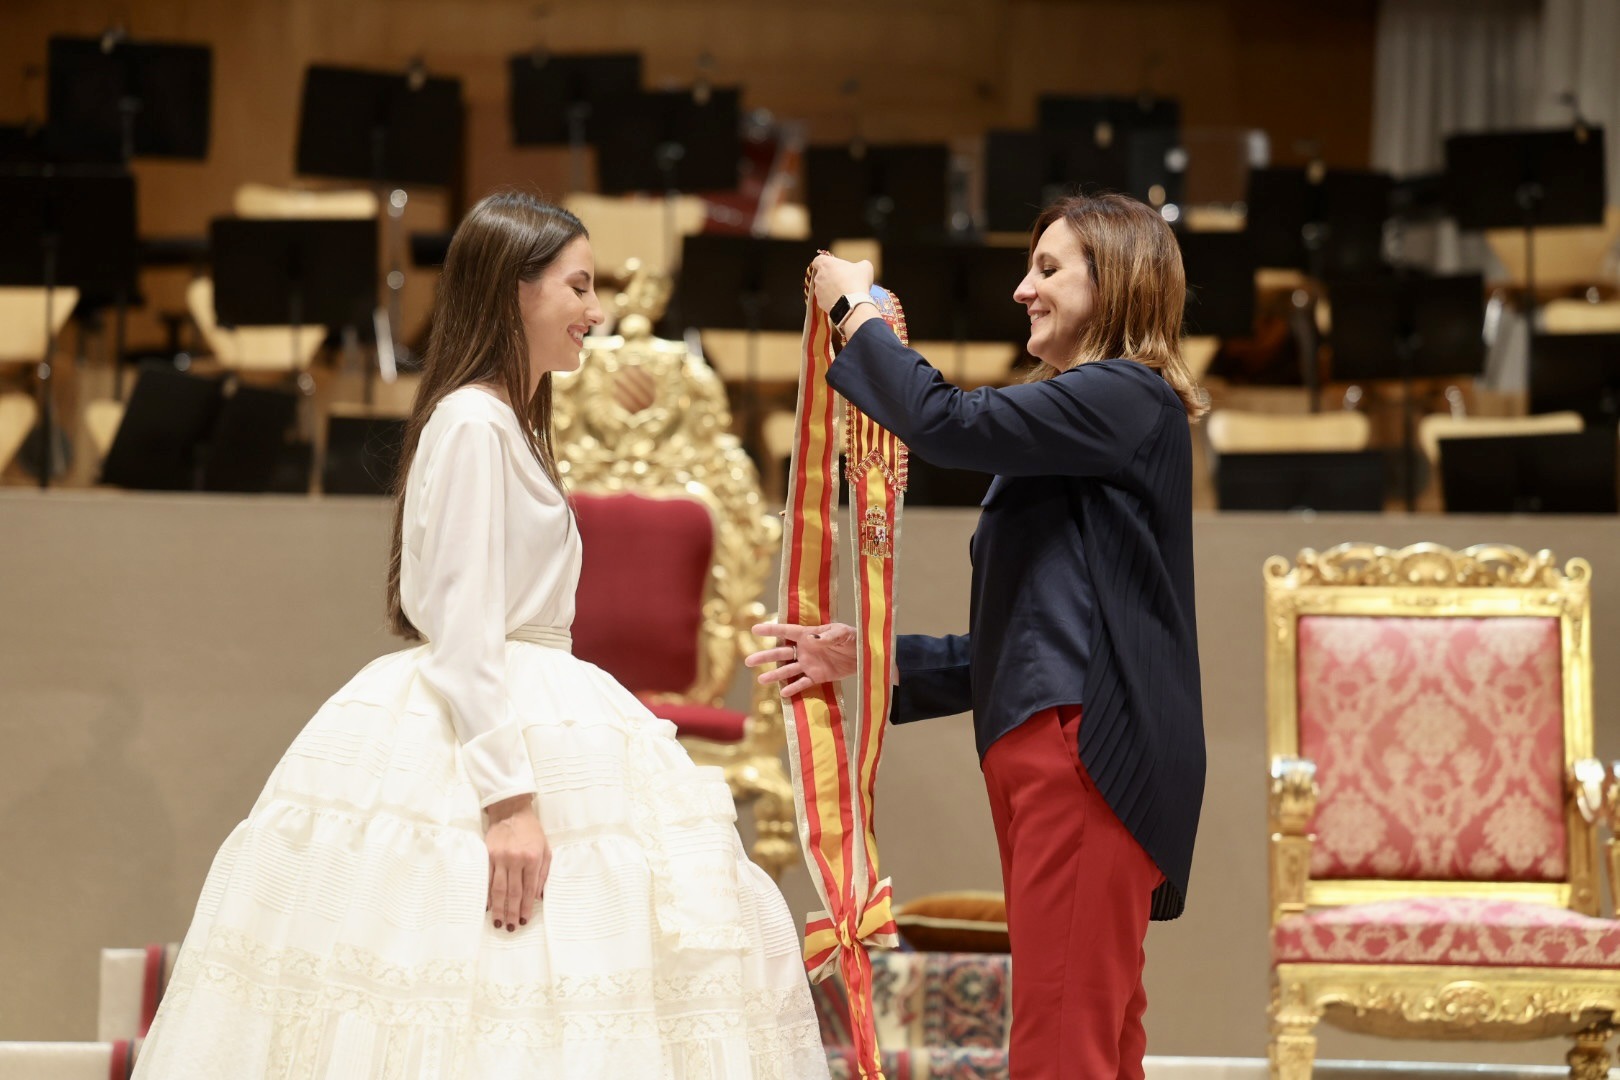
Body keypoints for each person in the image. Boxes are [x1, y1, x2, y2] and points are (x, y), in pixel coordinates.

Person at [135, 192, 829, 1080]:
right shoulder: (471, 423)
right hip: (490, 717)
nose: (596, 312)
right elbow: (464, 629)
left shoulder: (503, 423)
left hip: (538, 695)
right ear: (515, 292)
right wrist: (508, 804)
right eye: (578, 286)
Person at [748, 192, 1206, 1080]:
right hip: (1060, 748)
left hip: (1083, 756)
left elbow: (946, 423)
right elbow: (1033, 635)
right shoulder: (1093, 416)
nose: (1020, 291)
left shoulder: (1123, 393)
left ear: (1113, 283)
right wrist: (875, 660)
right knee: (1097, 1041)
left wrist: (856, 312)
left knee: (1064, 1041)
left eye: (1048, 268)